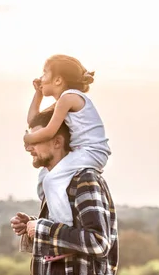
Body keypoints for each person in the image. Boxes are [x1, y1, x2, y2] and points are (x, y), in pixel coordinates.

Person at [11, 109, 119, 275]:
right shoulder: (55, 181)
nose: (29, 147)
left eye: (36, 141)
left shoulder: (85, 179)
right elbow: (63, 233)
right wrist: (31, 226)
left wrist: (41, 228)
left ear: (57, 141)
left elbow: (98, 241)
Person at [23, 54, 111, 227]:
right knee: (45, 178)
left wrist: (28, 138)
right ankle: (51, 217)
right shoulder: (65, 100)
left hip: (91, 151)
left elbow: (49, 131)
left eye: (44, 73)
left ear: (57, 80)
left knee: (51, 180)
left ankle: (61, 227)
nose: (41, 78)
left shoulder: (69, 98)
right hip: (82, 151)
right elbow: (34, 120)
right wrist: (38, 94)